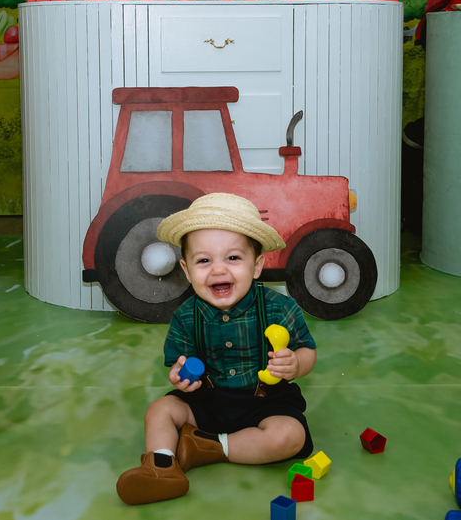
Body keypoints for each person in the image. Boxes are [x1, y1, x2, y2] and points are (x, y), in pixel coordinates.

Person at [116, 193, 317, 505]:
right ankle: (162, 466)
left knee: (290, 436)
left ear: (257, 265)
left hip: (264, 402)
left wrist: (295, 364)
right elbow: (179, 365)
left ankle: (208, 447)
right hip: (205, 401)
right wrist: (180, 377)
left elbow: (307, 351)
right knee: (160, 410)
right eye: (204, 260)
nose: (218, 270)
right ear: (186, 269)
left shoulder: (280, 309)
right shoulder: (185, 316)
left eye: (233, 258)